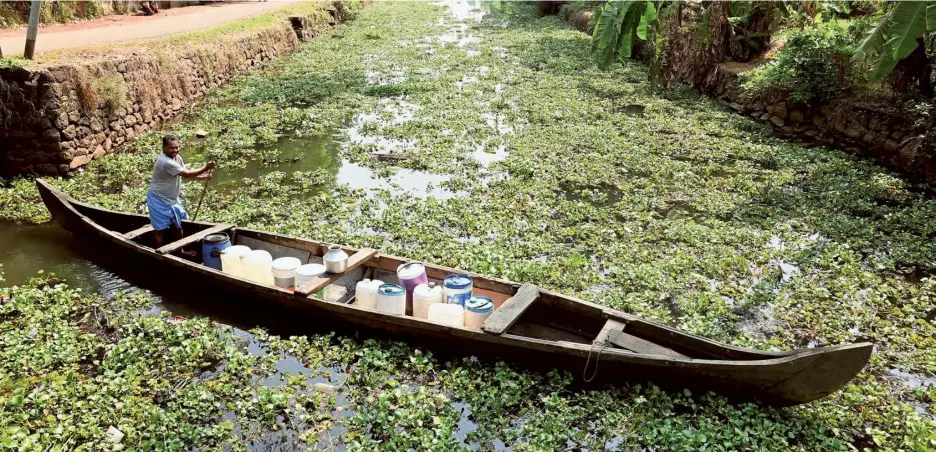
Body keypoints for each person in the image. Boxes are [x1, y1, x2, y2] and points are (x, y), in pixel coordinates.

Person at [147, 134, 215, 250]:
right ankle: (158, 254)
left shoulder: (177, 158)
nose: (175, 150)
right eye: (172, 148)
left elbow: (185, 174)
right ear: (164, 148)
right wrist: (206, 167)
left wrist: (203, 177)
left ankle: (180, 251)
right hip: (159, 199)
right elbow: (187, 174)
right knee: (160, 230)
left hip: (172, 200)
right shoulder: (165, 162)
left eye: (177, 147)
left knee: (177, 227)